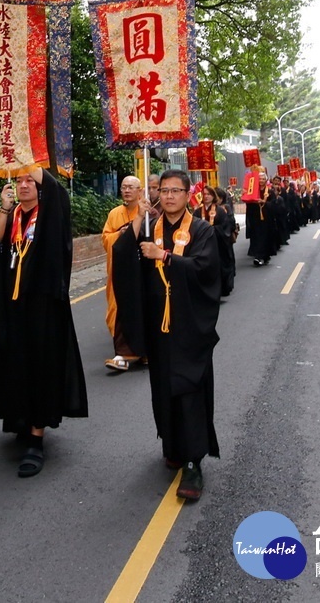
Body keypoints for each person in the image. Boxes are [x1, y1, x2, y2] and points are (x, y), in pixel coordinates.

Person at [112, 169, 221, 502]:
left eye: (176, 190)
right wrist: (139, 219)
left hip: (189, 326)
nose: (169, 196)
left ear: (189, 194)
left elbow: (206, 270)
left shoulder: (201, 230)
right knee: (163, 388)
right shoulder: (149, 228)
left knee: (189, 389)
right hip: (158, 328)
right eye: (164, 190)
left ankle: (193, 462)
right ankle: (172, 446)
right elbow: (121, 256)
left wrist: (166, 256)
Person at [0, 168, 88, 478]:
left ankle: (36, 438)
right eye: (19, 180)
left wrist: (29, 152)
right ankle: (18, 419)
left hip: (41, 306)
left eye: (31, 180)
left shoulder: (50, 215)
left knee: (40, 368)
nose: (24, 185)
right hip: (12, 308)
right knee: (13, 365)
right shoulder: (12, 215)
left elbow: (57, 192)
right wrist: (3, 207)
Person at [102, 175, 148, 370]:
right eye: (124, 187)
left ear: (140, 191)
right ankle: (122, 352)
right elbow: (106, 239)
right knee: (118, 307)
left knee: (143, 308)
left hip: (141, 269)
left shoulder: (148, 212)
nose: (127, 191)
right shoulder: (114, 214)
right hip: (120, 270)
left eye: (131, 187)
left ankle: (144, 351)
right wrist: (122, 234)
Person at [195, 185, 236, 298]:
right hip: (202, 245)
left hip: (217, 243)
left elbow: (225, 227)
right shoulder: (198, 211)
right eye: (204, 194)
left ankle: (220, 289)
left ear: (213, 196)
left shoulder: (220, 211)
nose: (206, 196)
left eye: (209, 194)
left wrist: (211, 229)